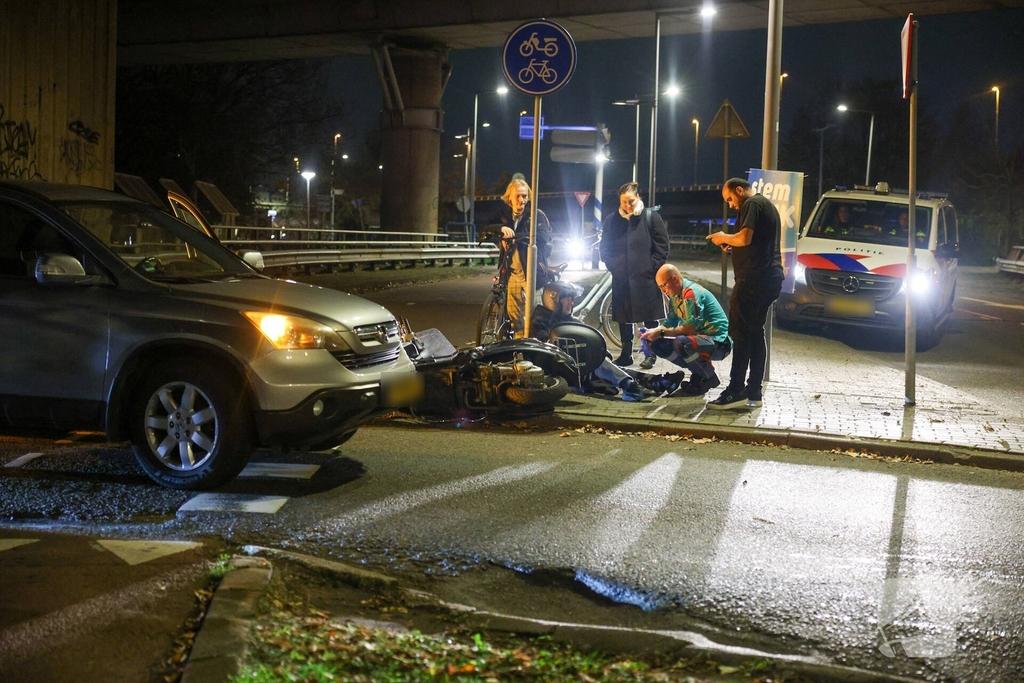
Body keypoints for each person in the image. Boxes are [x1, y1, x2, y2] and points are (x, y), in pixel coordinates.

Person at [706, 177, 785, 410]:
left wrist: (723, 237)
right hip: (769, 278)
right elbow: (752, 242)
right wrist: (733, 245)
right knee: (754, 332)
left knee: (740, 333)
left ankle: (735, 390)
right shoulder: (765, 206)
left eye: (730, 198)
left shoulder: (751, 204)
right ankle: (754, 391)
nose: (731, 204)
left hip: (753, 280)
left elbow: (745, 237)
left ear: (739, 190)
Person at [531, 281, 656, 402]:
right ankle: (629, 385)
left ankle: (656, 381)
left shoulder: (571, 320)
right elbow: (547, 349)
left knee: (609, 366)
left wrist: (602, 353)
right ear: (554, 300)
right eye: (567, 298)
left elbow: (591, 340)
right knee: (602, 364)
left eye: (571, 298)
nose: (571, 302)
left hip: (582, 368)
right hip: (562, 372)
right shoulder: (541, 322)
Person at [599, 181, 670, 370]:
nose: (628, 205)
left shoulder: (650, 217)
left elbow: (662, 246)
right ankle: (626, 354)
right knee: (624, 317)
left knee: (649, 318)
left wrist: (651, 267)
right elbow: (605, 247)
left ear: (638, 198)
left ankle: (650, 354)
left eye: (630, 201)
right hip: (622, 277)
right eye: (624, 202)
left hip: (646, 277)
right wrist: (614, 266)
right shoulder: (612, 220)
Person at [639, 264, 731, 396]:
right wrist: (652, 333)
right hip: (700, 340)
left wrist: (661, 332)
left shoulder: (690, 293)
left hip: (718, 342)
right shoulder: (675, 297)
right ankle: (699, 374)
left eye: (664, 285)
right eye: (660, 287)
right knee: (658, 345)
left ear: (675, 279)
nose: (663, 290)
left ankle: (709, 376)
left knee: (681, 343)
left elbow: (689, 327)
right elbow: (669, 323)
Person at [487, 178, 552, 338]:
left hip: (532, 273)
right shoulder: (504, 215)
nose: (521, 200)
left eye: (524, 196)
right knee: (515, 318)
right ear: (509, 197)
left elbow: (542, 237)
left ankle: (537, 351)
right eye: (517, 196)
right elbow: (486, 227)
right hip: (512, 273)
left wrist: (513, 236)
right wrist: (501, 229)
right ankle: (520, 352)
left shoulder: (536, 215)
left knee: (535, 317)